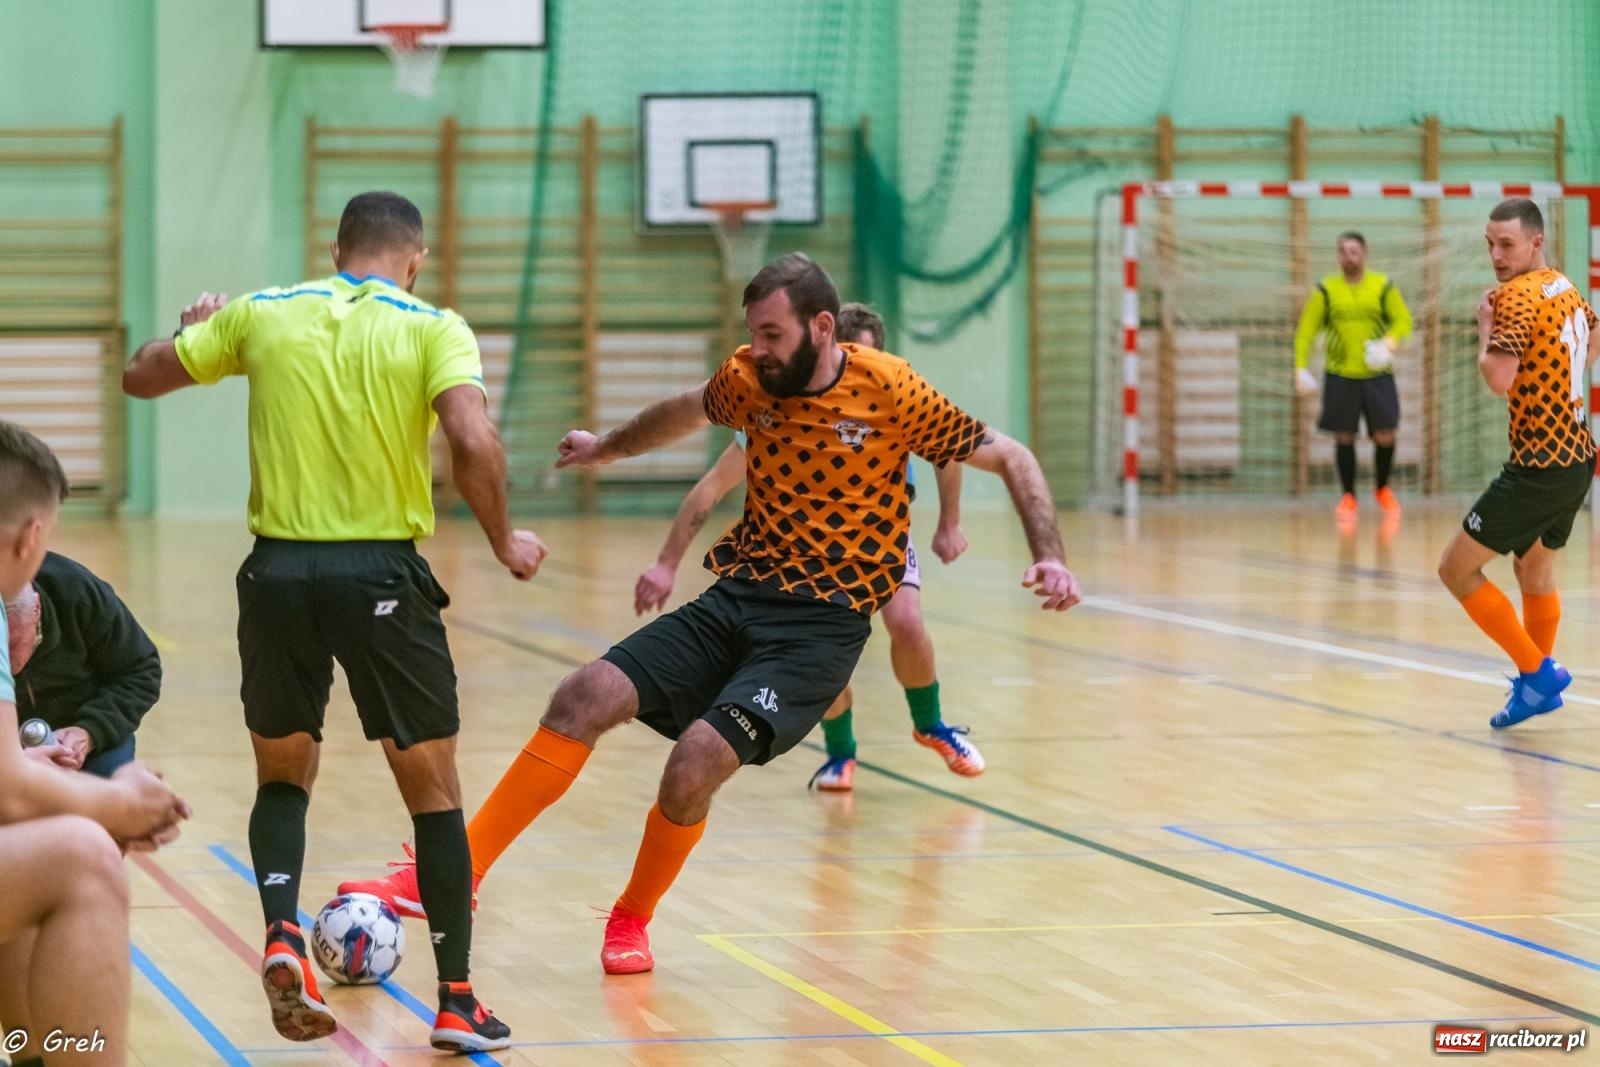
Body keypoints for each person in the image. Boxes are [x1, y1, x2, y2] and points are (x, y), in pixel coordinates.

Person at [340, 253, 1080, 979]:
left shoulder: (890, 389)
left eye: (772, 335)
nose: (757, 350)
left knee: (694, 759)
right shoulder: (749, 380)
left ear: (823, 328)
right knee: (583, 694)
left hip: (822, 628)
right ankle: (456, 871)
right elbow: (687, 409)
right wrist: (607, 448)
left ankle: (631, 915)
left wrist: (1050, 552)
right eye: (753, 334)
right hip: (739, 595)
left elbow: (1011, 456)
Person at [121, 191, 547, 1053]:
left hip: (276, 571)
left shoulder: (261, 313)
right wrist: (504, 538)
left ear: (336, 247)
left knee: (283, 773)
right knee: (434, 794)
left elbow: (142, 374)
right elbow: (470, 435)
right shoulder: (434, 327)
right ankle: (457, 999)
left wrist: (187, 328)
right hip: (381, 573)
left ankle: (282, 930)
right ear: (414, 256)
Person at [635, 302, 982, 792]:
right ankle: (842, 753)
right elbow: (711, 488)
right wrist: (666, 565)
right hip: (805, 551)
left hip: (880, 538)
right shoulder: (781, 410)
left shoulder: (892, 397)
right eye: (853, 354)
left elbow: (952, 450)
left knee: (906, 622)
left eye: (872, 356)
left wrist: (949, 522)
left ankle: (931, 725)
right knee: (817, 651)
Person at [0, 420, 190, 1067]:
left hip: (64, 750)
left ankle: (28, 1053)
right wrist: (121, 806)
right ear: (32, 536)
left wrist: (73, 751)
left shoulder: (77, 594)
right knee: (79, 854)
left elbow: (140, 668)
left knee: (41, 843)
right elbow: (11, 788)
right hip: (42, 769)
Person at [1436, 197, 1598, 729]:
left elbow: (1497, 379)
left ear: (1535, 242)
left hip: (1539, 465)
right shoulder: (1564, 284)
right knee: (1534, 566)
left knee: (1456, 569)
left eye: (1506, 245)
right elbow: (1593, 336)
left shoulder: (1514, 299)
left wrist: (1486, 327)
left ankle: (1537, 672)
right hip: (1578, 455)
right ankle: (1535, 689)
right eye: (1490, 245)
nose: (1497, 256)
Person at [7, 552, 161, 777]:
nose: (10, 665)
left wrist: (89, 730)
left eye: (16, 644)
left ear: (36, 611)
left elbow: (139, 671)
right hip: (6, 744)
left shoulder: (77, 591)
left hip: (88, 726)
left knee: (117, 795)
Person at [1293, 232, 1413, 518]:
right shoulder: (1326, 289)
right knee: (1344, 436)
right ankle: (1348, 496)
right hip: (1340, 374)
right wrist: (1299, 367)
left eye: (1355, 251)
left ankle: (1382, 488)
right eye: (1344, 252)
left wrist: (1390, 343)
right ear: (1339, 256)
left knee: (1385, 434)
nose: (1350, 256)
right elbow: (1306, 331)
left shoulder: (1382, 286)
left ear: (1365, 253)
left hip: (1377, 374)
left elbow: (1403, 320)